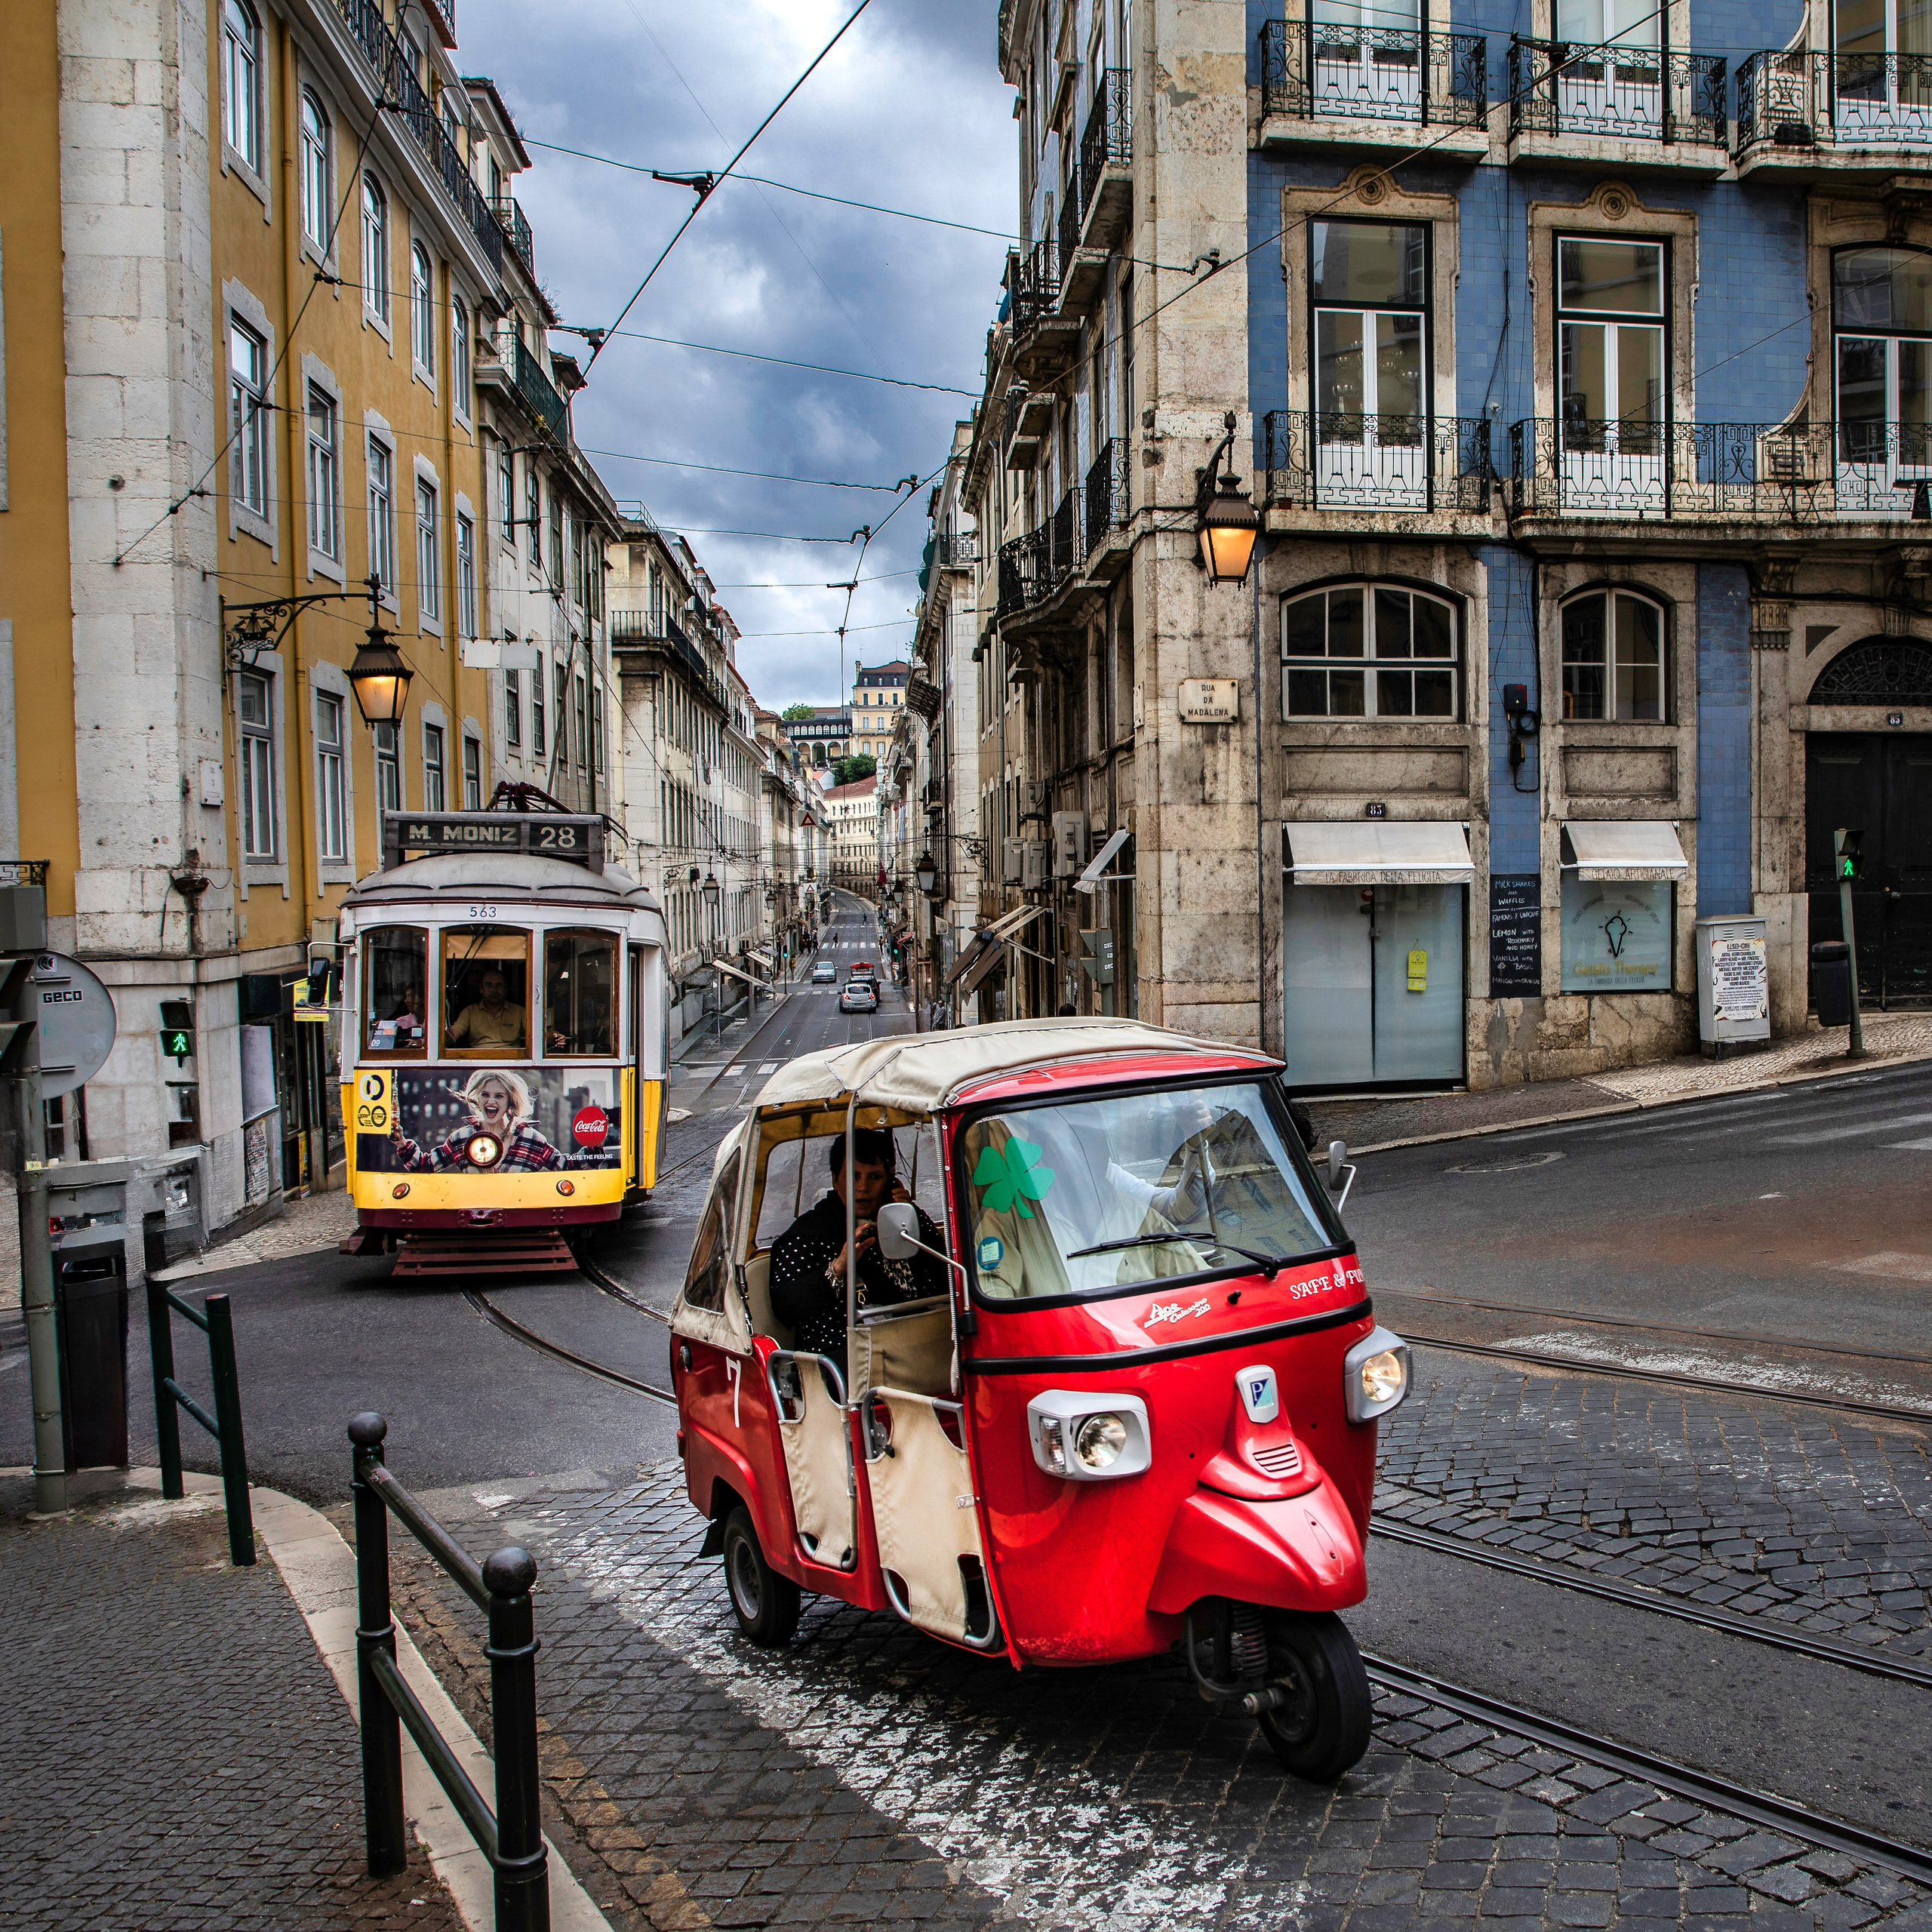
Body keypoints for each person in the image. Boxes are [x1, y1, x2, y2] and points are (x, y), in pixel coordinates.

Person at [770, 1129, 946, 1358]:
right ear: (835, 1179)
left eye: (875, 1177)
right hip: (846, 1352)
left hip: (918, 1341)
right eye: (854, 1176)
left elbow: (949, 1276)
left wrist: (911, 1221)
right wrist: (838, 1268)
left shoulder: (906, 1218)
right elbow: (785, 1307)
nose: (863, 1187)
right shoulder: (809, 1234)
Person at [389, 1069, 564, 1171]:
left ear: (510, 1101)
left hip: (521, 1220)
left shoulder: (531, 1139)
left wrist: (592, 1148)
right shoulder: (462, 1138)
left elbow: (564, 1165)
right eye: (485, 1095)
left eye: (499, 1096)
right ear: (477, 1099)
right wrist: (401, 1142)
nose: (491, 1101)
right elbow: (425, 1166)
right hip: (473, 1220)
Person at [445, 968, 525, 1051]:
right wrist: (442, 1038)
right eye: (489, 985)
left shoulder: (519, 1012)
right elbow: (455, 1033)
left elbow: (536, 1035)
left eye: (499, 985)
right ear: (481, 988)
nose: (494, 989)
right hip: (478, 1060)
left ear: (505, 988)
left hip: (513, 1061)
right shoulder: (470, 1011)